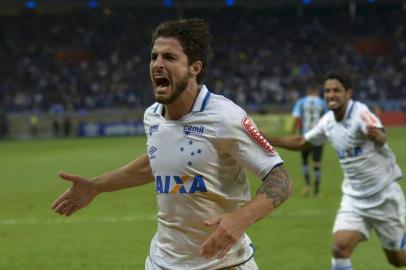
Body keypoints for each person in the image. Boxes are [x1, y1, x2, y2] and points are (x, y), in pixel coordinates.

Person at [51, 18, 292, 270]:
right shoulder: (152, 116)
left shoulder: (225, 117)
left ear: (194, 68)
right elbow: (157, 162)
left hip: (223, 263)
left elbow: (281, 180)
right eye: (154, 56)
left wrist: (240, 219)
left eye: (169, 57)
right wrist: (96, 186)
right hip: (162, 262)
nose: (157, 64)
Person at [265, 70, 406, 269]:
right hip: (354, 199)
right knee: (340, 247)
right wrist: (263, 138)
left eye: (336, 91)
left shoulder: (360, 113)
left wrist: (378, 136)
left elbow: (380, 133)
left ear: (348, 93)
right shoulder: (328, 121)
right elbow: (302, 141)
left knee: (398, 260)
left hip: (384, 197)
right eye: (327, 91)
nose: (331, 95)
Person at [291, 83, 327, 196]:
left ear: (307, 92)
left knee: (305, 162)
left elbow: (296, 117)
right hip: (318, 136)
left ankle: (307, 187)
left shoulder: (301, 102)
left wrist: (293, 132)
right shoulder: (322, 102)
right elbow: (327, 118)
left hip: (305, 136)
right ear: (317, 92)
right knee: (316, 163)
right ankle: (316, 191)